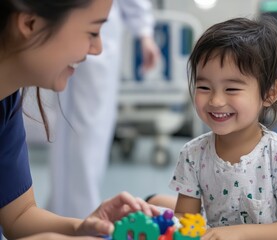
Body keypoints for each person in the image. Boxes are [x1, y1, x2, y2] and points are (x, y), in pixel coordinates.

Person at [0, 1, 159, 239]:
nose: (98, 49)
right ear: (30, 23)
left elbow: (18, 215)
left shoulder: (7, 102)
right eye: (93, 32)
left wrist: (81, 227)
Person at [168, 16, 277, 240]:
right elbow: (185, 216)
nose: (216, 100)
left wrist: (238, 233)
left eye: (231, 89)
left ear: (269, 93)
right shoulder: (193, 154)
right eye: (204, 86)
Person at [47, 0, 160, 219]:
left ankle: (79, 212)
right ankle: (61, 210)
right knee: (65, 127)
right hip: (59, 21)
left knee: (88, 128)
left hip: (89, 24)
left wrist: (144, 32)